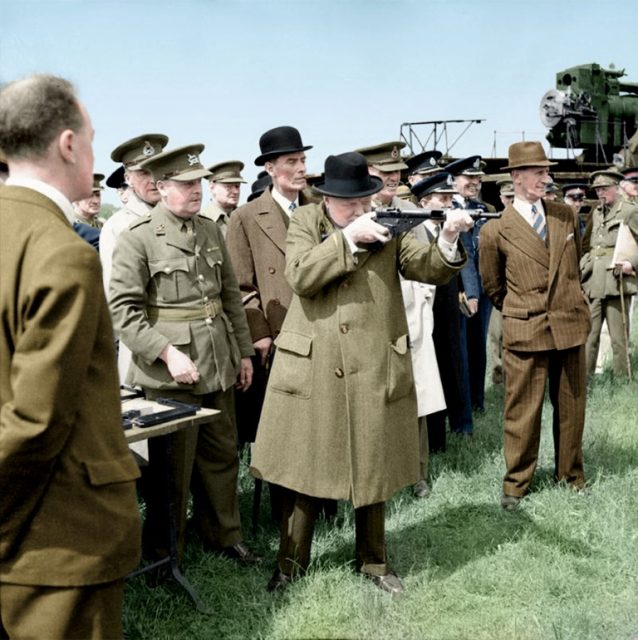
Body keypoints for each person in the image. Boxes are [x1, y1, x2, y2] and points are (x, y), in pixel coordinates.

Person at [251, 152, 471, 594]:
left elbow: (425, 267)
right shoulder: (306, 222)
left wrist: (446, 237)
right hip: (314, 363)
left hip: (374, 362)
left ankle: (374, 562)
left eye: (364, 201)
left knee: (375, 467)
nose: (359, 209)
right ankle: (291, 564)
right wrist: (348, 239)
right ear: (327, 199)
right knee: (304, 470)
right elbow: (301, 276)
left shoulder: (387, 223)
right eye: (349, 204)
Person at [0, 74, 141, 639]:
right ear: (67, 144)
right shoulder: (61, 250)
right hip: (55, 542)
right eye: (90, 135)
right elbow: (37, 422)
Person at [109, 144, 261, 567]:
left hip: (218, 362)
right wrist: (167, 353)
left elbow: (230, 297)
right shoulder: (137, 238)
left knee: (222, 457)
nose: (196, 191)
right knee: (170, 473)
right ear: (160, 187)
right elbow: (123, 311)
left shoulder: (211, 230)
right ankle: (163, 554)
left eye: (198, 183)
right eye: (186, 184)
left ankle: (224, 535)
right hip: (171, 375)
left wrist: (244, 353)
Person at [479, 141, 591, 511]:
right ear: (516, 177)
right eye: (538, 172)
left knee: (572, 407)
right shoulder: (496, 230)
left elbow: (575, 263)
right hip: (526, 331)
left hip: (569, 325)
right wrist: (525, 311)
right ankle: (516, 484)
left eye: (547, 171)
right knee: (522, 410)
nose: (546, 178)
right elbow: (494, 288)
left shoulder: (564, 215)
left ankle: (571, 475)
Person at [100, 133, 169, 381]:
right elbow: (118, 304)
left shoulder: (185, 219)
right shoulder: (118, 227)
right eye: (143, 173)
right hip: (145, 353)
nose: (152, 179)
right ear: (127, 178)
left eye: (157, 169)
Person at [447, 155, 494, 416]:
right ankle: (462, 406)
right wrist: (471, 292)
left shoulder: (482, 207)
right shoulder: (449, 208)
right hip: (460, 290)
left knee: (479, 347)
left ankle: (478, 402)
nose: (474, 183)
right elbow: (463, 251)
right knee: (461, 350)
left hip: (482, 289)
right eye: (469, 178)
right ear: (454, 180)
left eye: (478, 178)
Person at [580, 169, 638, 375]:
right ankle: (584, 383)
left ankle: (623, 381)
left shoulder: (630, 211)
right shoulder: (596, 212)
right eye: (597, 190)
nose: (600, 193)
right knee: (589, 336)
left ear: (616, 188)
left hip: (617, 281)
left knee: (618, 339)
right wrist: (583, 266)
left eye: (604, 189)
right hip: (594, 281)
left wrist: (632, 262)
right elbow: (588, 244)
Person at [355, 140, 412, 210]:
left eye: (397, 171)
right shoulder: (354, 211)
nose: (395, 178)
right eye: (387, 172)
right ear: (366, 173)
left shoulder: (410, 208)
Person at [200, 160, 246, 236]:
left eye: (237, 186)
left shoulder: (245, 217)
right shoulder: (200, 220)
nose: (235, 191)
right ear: (212, 187)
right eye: (228, 187)